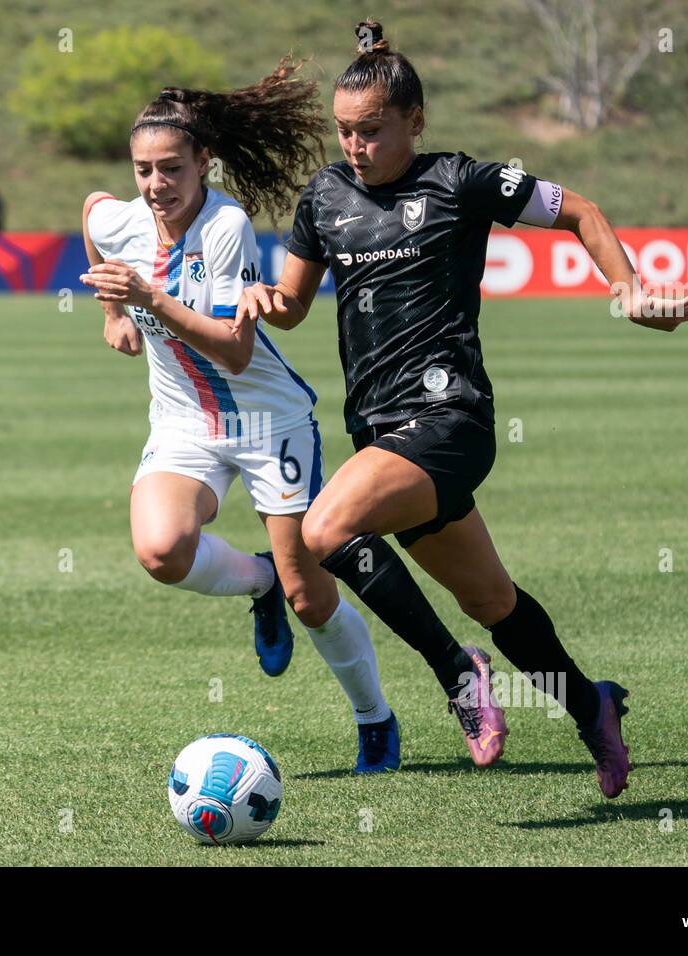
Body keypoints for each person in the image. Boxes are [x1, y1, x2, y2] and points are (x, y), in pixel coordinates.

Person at [234, 20, 688, 797]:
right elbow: (291, 304)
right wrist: (265, 299)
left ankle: (457, 673)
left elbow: (582, 210)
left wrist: (629, 291)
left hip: (450, 420)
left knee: (321, 530)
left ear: (415, 121)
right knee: (493, 600)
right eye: (346, 133)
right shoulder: (324, 197)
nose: (356, 147)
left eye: (374, 131)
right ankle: (594, 708)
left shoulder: (462, 182)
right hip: (382, 434)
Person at [79, 59, 403, 773]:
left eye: (170, 169)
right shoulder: (124, 218)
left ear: (203, 163)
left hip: (267, 425)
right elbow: (93, 214)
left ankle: (374, 718)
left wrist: (145, 299)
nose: (155, 185)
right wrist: (113, 311)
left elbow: (231, 349)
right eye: (143, 170)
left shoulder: (226, 225)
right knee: (161, 551)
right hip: (183, 424)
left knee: (312, 598)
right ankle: (258, 582)